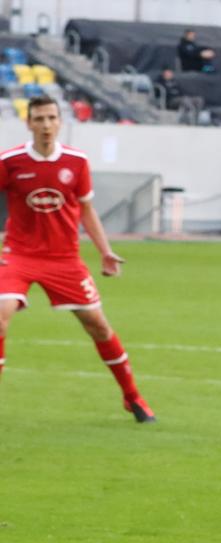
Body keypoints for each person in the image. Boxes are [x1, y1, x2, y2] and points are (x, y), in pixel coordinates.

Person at [0, 95, 154, 423]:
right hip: (20, 254)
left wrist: (105, 251)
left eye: (51, 118)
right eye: (39, 119)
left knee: (97, 324)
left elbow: (86, 209)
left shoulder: (76, 162)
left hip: (64, 259)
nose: (45, 125)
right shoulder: (10, 161)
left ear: (60, 122)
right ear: (29, 123)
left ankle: (132, 396)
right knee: (1, 313)